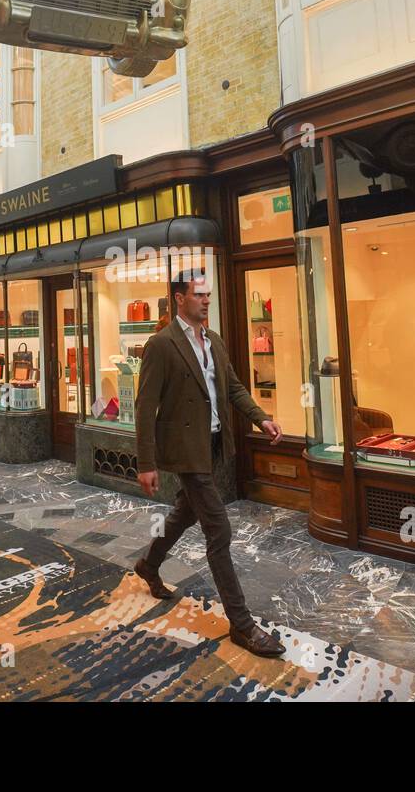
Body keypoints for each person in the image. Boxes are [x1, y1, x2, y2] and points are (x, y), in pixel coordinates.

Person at [132, 270, 286, 658]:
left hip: (213, 444)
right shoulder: (161, 344)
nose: (206, 301)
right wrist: (146, 462)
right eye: (199, 295)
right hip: (185, 450)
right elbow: (145, 405)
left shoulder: (213, 341)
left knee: (186, 512)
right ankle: (242, 624)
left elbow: (232, 386)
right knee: (219, 530)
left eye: (208, 296)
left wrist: (260, 417)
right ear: (179, 299)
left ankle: (148, 565)